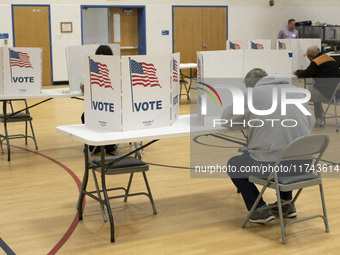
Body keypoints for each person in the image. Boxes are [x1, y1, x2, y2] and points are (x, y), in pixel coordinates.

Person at [222, 68, 315, 223]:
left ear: (251, 86)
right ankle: (286, 204)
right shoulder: (297, 91)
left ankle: (259, 209)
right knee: (286, 149)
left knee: (235, 164)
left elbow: (226, 118)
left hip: (275, 167)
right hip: (304, 163)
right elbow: (311, 122)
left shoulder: (253, 95)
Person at [81, 45, 117, 154]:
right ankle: (110, 144)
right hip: (114, 111)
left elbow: (86, 89)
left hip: (99, 111)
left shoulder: (95, 70)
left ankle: (94, 145)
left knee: (85, 116)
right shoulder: (117, 69)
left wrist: (83, 85)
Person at [294, 45, 340, 126]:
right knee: (315, 90)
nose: (308, 59)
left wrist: (297, 72)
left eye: (308, 57)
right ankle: (319, 118)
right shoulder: (330, 59)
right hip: (336, 93)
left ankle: (303, 120)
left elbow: (305, 74)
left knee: (299, 95)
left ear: (311, 56)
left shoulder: (316, 62)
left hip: (325, 94)